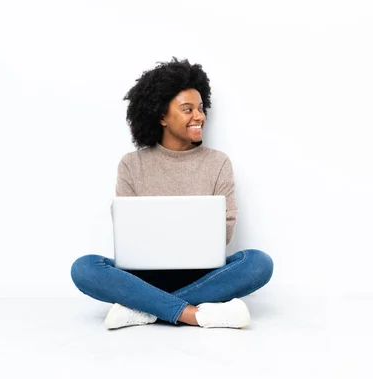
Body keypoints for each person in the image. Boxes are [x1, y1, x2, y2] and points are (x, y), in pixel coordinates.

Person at [70, 58, 274, 330]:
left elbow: (224, 234)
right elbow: (129, 234)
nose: (199, 116)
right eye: (187, 109)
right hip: (145, 277)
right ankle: (194, 313)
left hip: (203, 275)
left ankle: (145, 309)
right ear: (162, 116)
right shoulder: (132, 164)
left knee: (258, 263)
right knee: (84, 267)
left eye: (201, 108)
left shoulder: (218, 163)